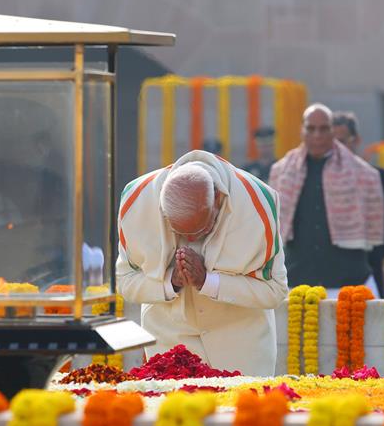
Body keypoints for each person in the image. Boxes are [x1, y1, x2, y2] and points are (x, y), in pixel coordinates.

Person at [117, 150, 288, 376]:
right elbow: (125, 281)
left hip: (242, 346)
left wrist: (208, 281)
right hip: (170, 345)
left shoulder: (257, 203)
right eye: (179, 232)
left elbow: (275, 290)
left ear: (217, 199)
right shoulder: (138, 202)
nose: (190, 240)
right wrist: (171, 282)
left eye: (200, 230)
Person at [269, 103, 384, 297]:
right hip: (295, 283)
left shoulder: (364, 174)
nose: (317, 135)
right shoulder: (281, 172)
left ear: (333, 131)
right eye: (311, 129)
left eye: (324, 129)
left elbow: (379, 239)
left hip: (349, 284)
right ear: (302, 131)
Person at [331, 112, 384, 297]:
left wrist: (366, 256)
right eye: (332, 142)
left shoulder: (379, 178)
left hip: (367, 272)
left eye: (342, 141)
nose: (337, 148)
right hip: (327, 277)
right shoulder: (317, 179)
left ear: (356, 140)